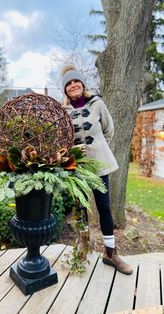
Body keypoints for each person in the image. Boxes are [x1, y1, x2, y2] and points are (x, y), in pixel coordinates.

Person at [61, 64, 133, 275]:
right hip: (78, 167)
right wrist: (74, 150)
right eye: (69, 83)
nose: (73, 85)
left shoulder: (97, 104)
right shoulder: (63, 111)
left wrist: (98, 148)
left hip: (100, 165)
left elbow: (109, 129)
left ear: (82, 84)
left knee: (104, 208)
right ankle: (83, 249)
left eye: (76, 81)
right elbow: (63, 139)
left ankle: (111, 254)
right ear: (65, 90)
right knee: (80, 209)